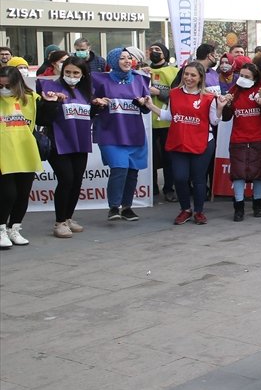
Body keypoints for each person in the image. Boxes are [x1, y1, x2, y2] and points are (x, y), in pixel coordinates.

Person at [143, 62, 222, 225]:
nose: (189, 78)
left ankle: (199, 211)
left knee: (199, 179)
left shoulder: (208, 98)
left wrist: (220, 108)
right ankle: (185, 209)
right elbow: (170, 116)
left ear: (200, 78)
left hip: (202, 143)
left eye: (193, 75)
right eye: (186, 74)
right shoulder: (174, 93)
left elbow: (214, 121)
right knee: (180, 177)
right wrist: (150, 106)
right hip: (179, 142)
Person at [92, 47, 153, 221]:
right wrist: (97, 103)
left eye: (129, 58)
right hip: (110, 134)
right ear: (112, 62)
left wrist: (143, 103)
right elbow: (91, 103)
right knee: (119, 169)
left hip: (134, 134)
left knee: (132, 172)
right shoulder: (101, 80)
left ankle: (127, 207)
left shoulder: (140, 80)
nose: (127, 61)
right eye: (122, 58)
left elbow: (146, 110)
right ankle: (114, 207)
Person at [36, 58, 94, 238]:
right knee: (66, 180)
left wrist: (98, 106)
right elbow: (42, 119)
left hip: (80, 142)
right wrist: (52, 102)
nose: (71, 76)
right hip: (58, 142)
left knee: (77, 181)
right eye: (68, 72)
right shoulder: (50, 87)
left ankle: (68, 218)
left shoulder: (87, 91)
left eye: (76, 73)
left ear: (82, 74)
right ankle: (59, 222)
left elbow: (90, 115)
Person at [222, 59, 261, 221]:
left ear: (254, 78)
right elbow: (226, 117)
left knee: (259, 174)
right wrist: (227, 105)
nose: (242, 78)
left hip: (260, 138)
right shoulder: (234, 91)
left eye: (247, 76)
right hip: (239, 139)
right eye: (241, 75)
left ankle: (257, 204)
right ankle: (239, 206)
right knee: (238, 174)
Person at [0, 67, 41, 248]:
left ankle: (14, 228)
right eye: (1, 85)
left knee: (23, 194)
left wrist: (55, 101)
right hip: (3, 154)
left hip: (25, 151)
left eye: (8, 85)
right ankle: (1, 229)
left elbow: (46, 117)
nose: (4, 88)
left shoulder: (30, 98)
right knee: (8, 194)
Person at [146, 42, 179, 202]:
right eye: (151, 49)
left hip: (167, 121)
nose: (153, 52)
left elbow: (178, 93)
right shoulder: (143, 71)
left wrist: (159, 92)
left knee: (169, 158)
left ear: (165, 54)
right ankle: (151, 188)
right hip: (148, 123)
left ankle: (169, 188)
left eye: (157, 50)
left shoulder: (174, 71)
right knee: (150, 158)